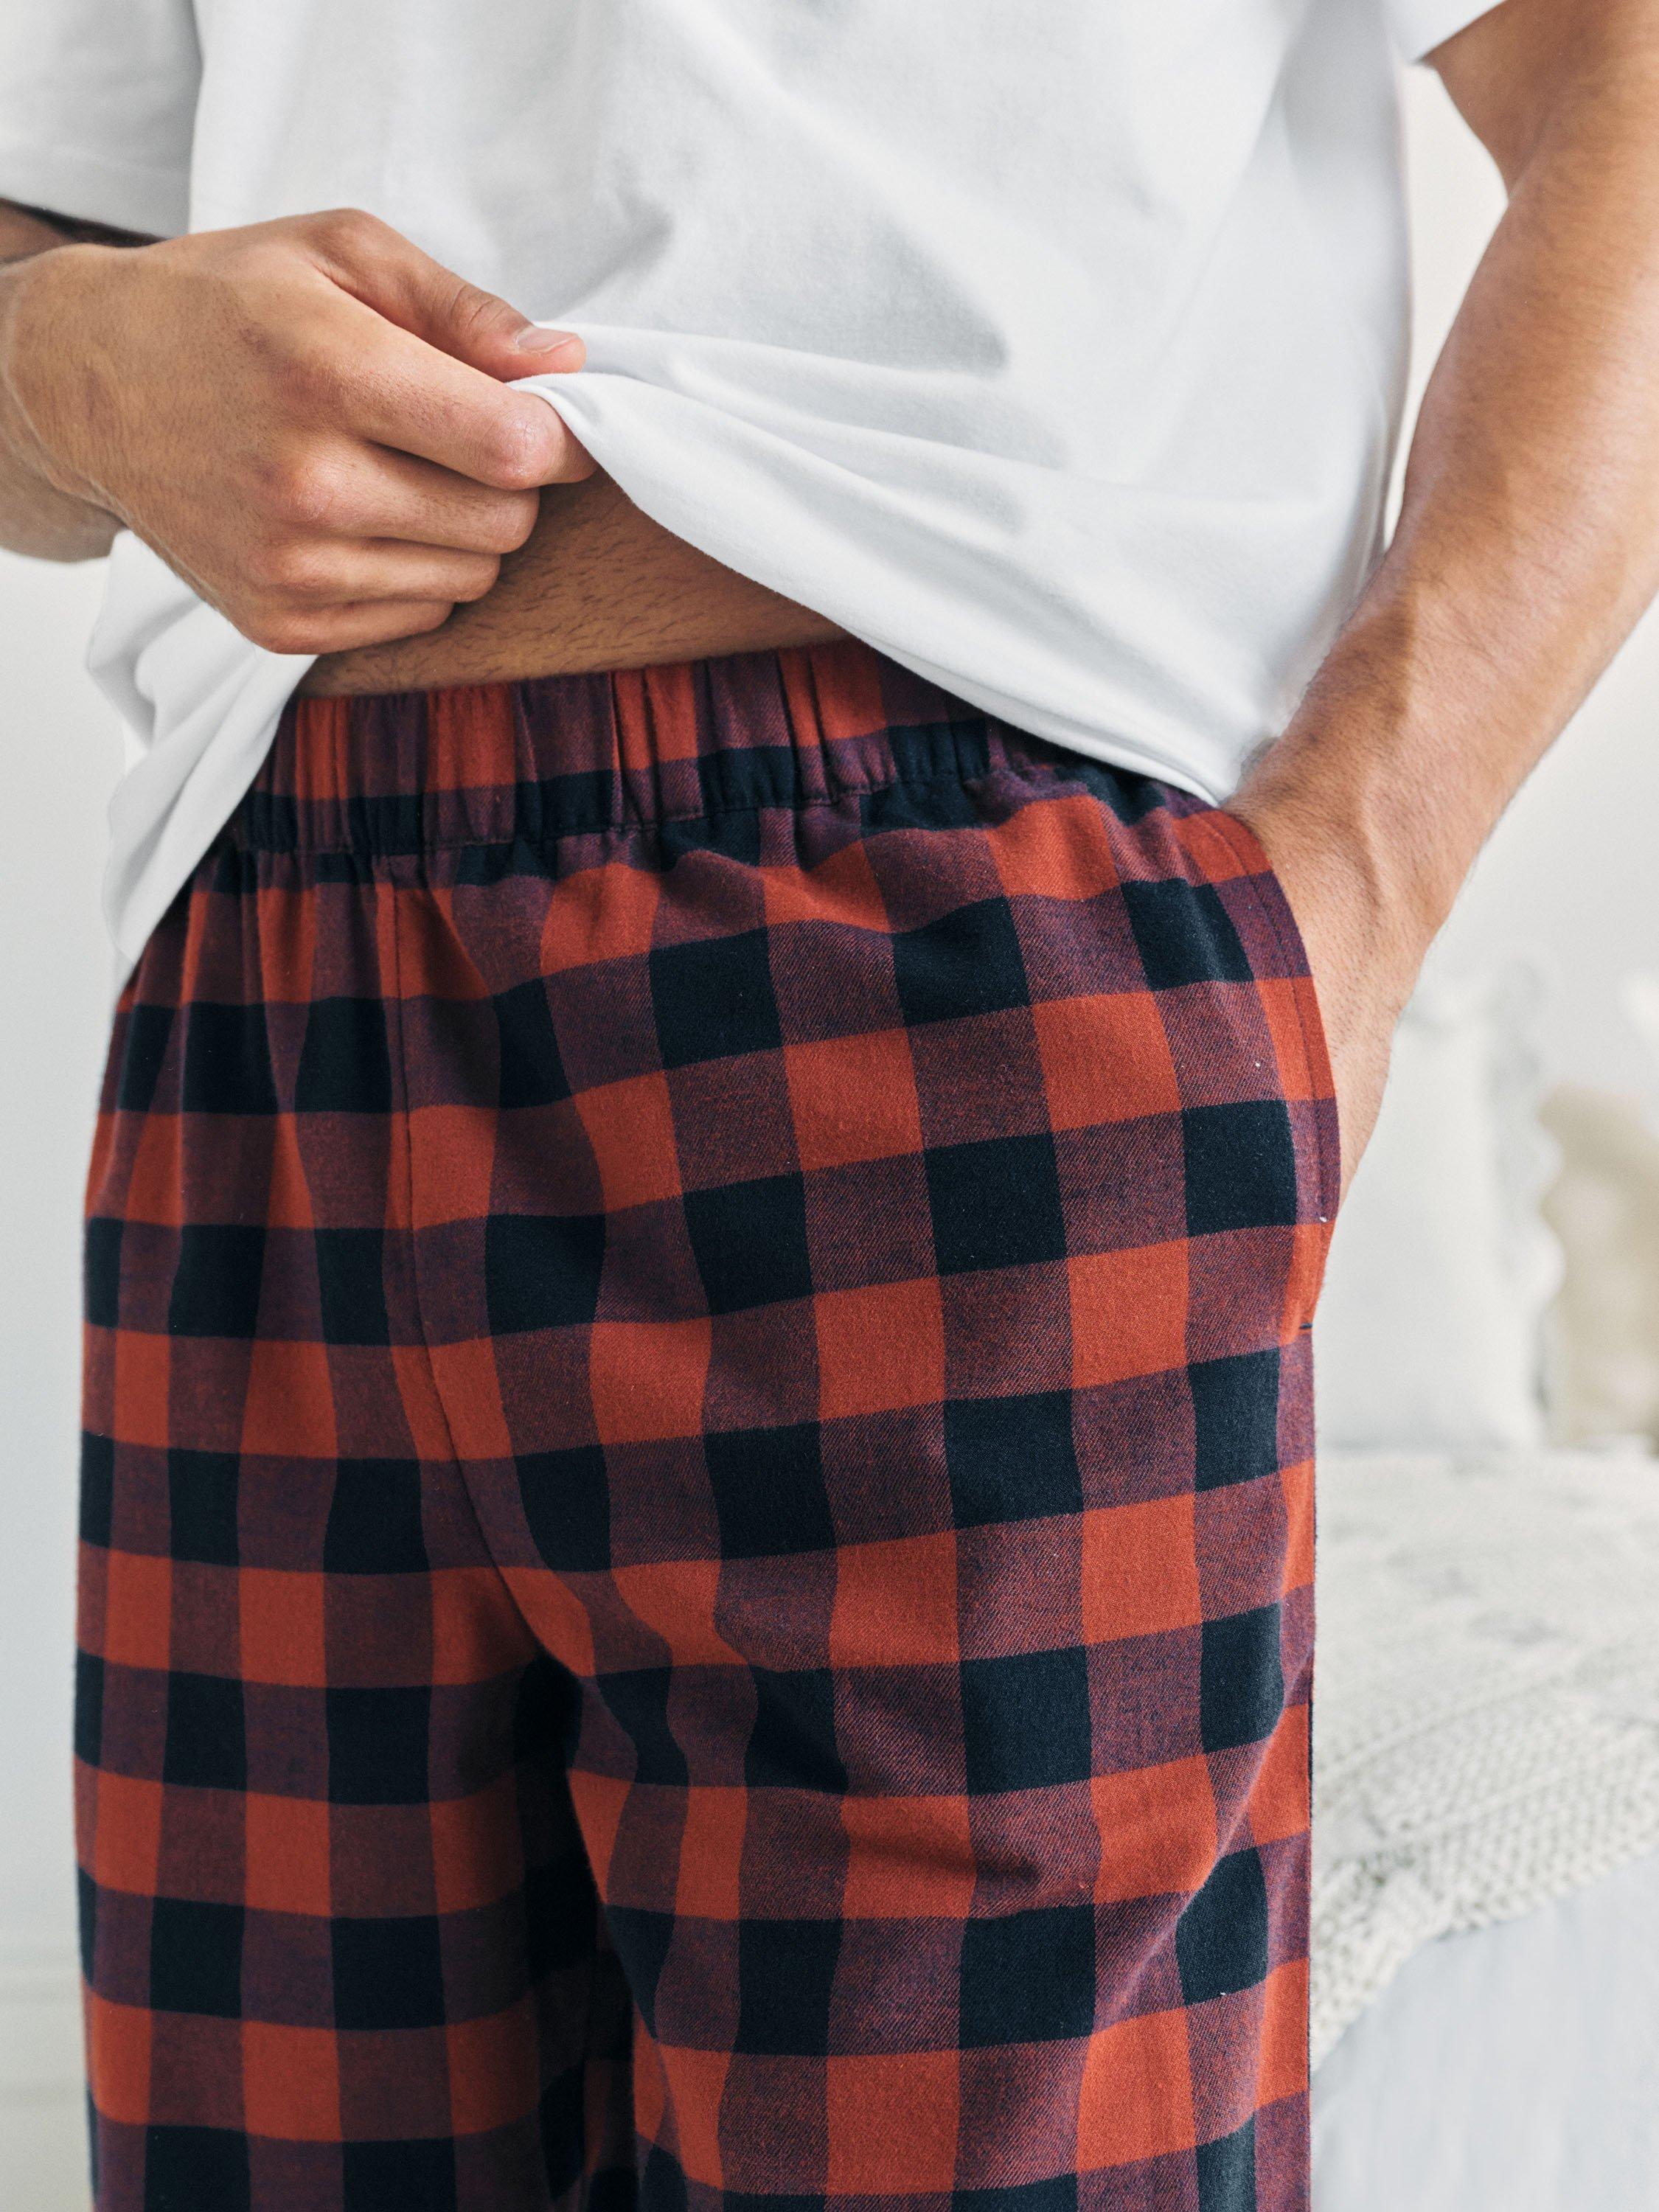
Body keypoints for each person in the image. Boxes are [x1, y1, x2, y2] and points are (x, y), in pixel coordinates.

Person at [1, 0, 1655, 2204]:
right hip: (264, 980)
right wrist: (68, 371)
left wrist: (1356, 868)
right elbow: (48, 253)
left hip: (961, 979)